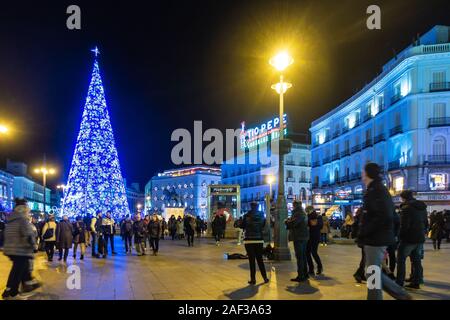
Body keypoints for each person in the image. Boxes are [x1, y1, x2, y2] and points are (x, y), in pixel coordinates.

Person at [357, 162, 411, 300]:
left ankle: (400, 295)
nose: (361, 175)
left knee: (372, 273)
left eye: (363, 172)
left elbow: (384, 216)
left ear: (368, 174)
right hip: (375, 237)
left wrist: (365, 232)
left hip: (376, 238)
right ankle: (401, 295)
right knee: (373, 273)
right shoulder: (374, 189)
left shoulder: (377, 191)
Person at [2, 199, 41, 300]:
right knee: (19, 271)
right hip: (20, 250)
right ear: (24, 210)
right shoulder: (22, 220)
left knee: (17, 270)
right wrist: (34, 246)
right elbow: (28, 234)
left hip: (11, 250)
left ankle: (9, 291)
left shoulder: (11, 219)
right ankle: (14, 293)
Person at [396, 190, 428, 289]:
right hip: (419, 237)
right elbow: (426, 223)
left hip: (408, 238)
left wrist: (400, 237)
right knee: (416, 260)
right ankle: (416, 281)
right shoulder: (422, 208)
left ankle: (399, 282)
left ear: (403, 198)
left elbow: (404, 226)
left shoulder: (406, 208)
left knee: (401, 259)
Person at [241, 202, 269, 285]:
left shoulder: (246, 215)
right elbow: (264, 226)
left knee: (251, 260)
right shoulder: (261, 215)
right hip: (259, 239)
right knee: (260, 259)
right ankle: (265, 278)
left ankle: (253, 279)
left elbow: (242, 225)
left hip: (249, 240)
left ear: (251, 206)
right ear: (258, 207)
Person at [285, 200, 309, 283]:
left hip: (299, 237)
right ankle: (305, 274)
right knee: (303, 256)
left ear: (295, 205)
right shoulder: (303, 213)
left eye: (293, 204)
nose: (293, 206)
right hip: (304, 237)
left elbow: (293, 223)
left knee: (300, 257)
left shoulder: (298, 213)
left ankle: (301, 275)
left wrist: (287, 222)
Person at [307, 209, 323, 275]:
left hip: (310, 236)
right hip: (316, 236)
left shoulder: (308, 217)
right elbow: (320, 226)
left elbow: (307, 225)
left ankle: (312, 269)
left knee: (308, 253)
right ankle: (319, 267)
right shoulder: (319, 217)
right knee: (313, 252)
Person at [352, 208, 366, 283]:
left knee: (365, 257)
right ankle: (358, 273)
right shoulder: (364, 216)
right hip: (366, 239)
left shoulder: (359, 216)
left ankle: (361, 274)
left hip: (362, 239)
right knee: (365, 258)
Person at [386, 207, 400, 274]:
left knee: (385, 255)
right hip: (392, 238)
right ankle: (391, 271)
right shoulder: (396, 215)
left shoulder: (384, 214)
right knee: (392, 255)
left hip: (385, 238)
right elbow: (398, 226)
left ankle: (386, 272)